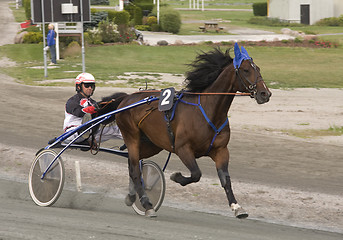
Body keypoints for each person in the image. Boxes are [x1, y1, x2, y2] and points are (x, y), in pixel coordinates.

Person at [63, 72, 122, 146]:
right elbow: (79, 112)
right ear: (79, 87)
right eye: (87, 85)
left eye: (92, 86)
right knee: (85, 126)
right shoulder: (72, 101)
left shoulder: (92, 102)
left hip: (91, 132)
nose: (90, 88)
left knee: (116, 129)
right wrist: (93, 109)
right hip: (72, 132)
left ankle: (137, 139)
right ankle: (84, 131)